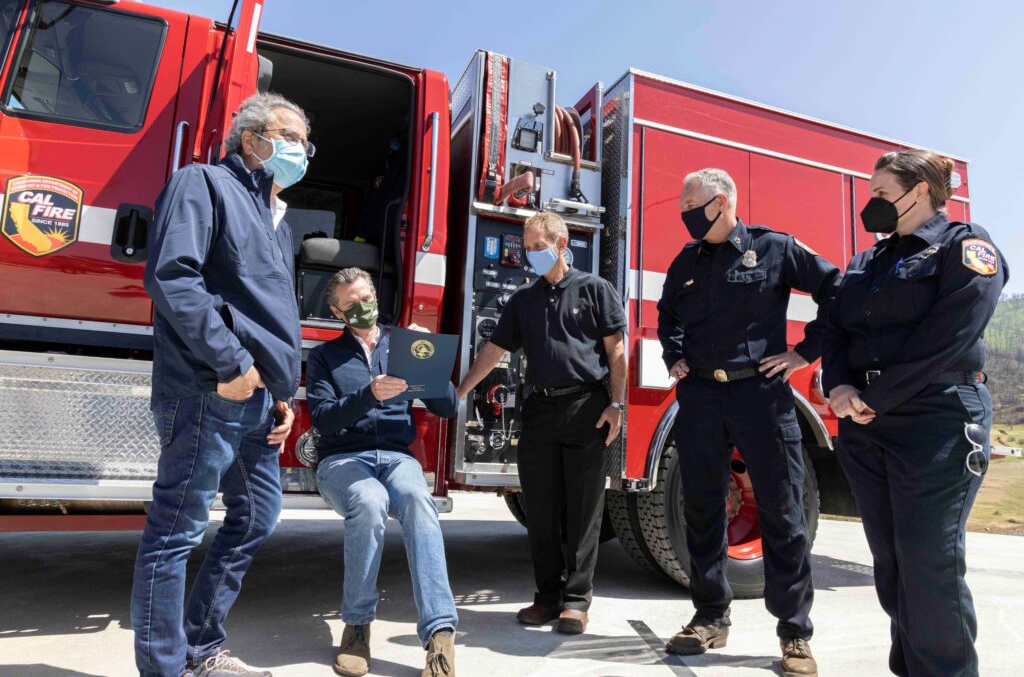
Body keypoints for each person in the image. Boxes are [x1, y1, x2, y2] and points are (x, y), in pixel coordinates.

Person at [131, 92, 312, 677]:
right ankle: (165, 667)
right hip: (210, 387)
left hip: (257, 401)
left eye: (306, 143)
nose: (301, 150)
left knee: (256, 516)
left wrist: (281, 391)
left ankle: (201, 649)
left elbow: (266, 312)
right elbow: (173, 278)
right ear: (251, 138)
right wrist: (232, 365)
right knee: (176, 531)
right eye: (290, 137)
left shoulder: (275, 221)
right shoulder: (203, 183)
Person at [822, 149, 1008, 677]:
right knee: (892, 564)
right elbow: (835, 327)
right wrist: (839, 386)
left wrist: (874, 397)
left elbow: (950, 335)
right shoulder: (868, 261)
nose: (872, 203)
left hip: (938, 419)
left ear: (920, 191)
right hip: (867, 424)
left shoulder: (966, 246)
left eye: (882, 193)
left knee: (929, 564)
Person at [657, 168, 841, 676]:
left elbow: (837, 289)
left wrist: (804, 352)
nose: (684, 215)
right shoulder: (686, 261)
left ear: (721, 202)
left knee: (783, 513)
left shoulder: (774, 248)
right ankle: (710, 617)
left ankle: (794, 633)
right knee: (702, 509)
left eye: (691, 206)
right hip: (701, 398)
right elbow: (667, 315)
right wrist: (674, 354)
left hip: (760, 396)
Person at [456, 211, 627, 635]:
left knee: (584, 508)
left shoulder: (595, 290)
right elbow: (495, 350)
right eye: (527, 247)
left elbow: (617, 351)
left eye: (537, 246)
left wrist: (616, 404)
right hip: (539, 410)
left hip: (586, 408)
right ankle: (547, 597)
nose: (530, 254)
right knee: (541, 508)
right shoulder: (524, 299)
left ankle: (576, 601)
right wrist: (461, 391)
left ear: (561, 244)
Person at [306, 268, 458, 677]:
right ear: (337, 312)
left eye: (366, 298)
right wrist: (368, 394)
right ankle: (356, 627)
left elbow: (447, 407)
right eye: (351, 304)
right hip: (342, 459)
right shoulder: (324, 357)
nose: (362, 307)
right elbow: (324, 420)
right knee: (369, 501)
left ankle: (440, 635)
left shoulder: (401, 345)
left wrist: (427, 355)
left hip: (396, 456)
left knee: (418, 500)